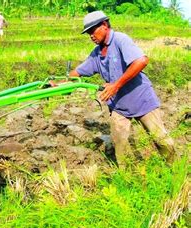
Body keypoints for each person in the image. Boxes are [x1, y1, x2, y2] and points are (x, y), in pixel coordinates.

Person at [69, 10, 175, 166]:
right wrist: (60, 83)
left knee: (162, 141)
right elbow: (77, 72)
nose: (91, 35)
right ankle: (125, 179)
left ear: (104, 25)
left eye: (93, 30)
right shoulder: (97, 53)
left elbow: (142, 61)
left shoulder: (120, 40)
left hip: (142, 99)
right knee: (121, 147)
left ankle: (175, 170)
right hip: (119, 106)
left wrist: (115, 86)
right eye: (88, 33)